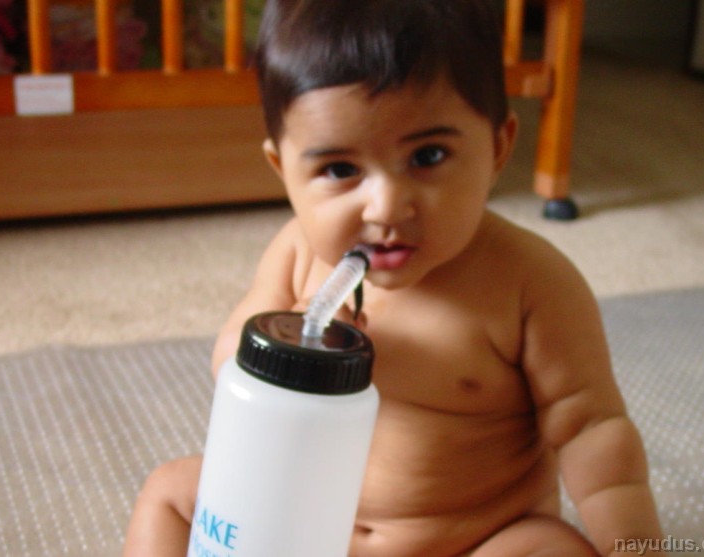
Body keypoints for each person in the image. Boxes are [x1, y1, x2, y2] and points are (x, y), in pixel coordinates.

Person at [123, 1, 666, 555]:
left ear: (498, 147)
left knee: (551, 548)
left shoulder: (531, 283)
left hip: (471, 540)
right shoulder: (296, 252)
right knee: (170, 493)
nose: (385, 207)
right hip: (296, 527)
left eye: (428, 156)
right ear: (283, 170)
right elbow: (229, 362)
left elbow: (592, 430)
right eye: (340, 170)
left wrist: (634, 547)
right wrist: (293, 345)